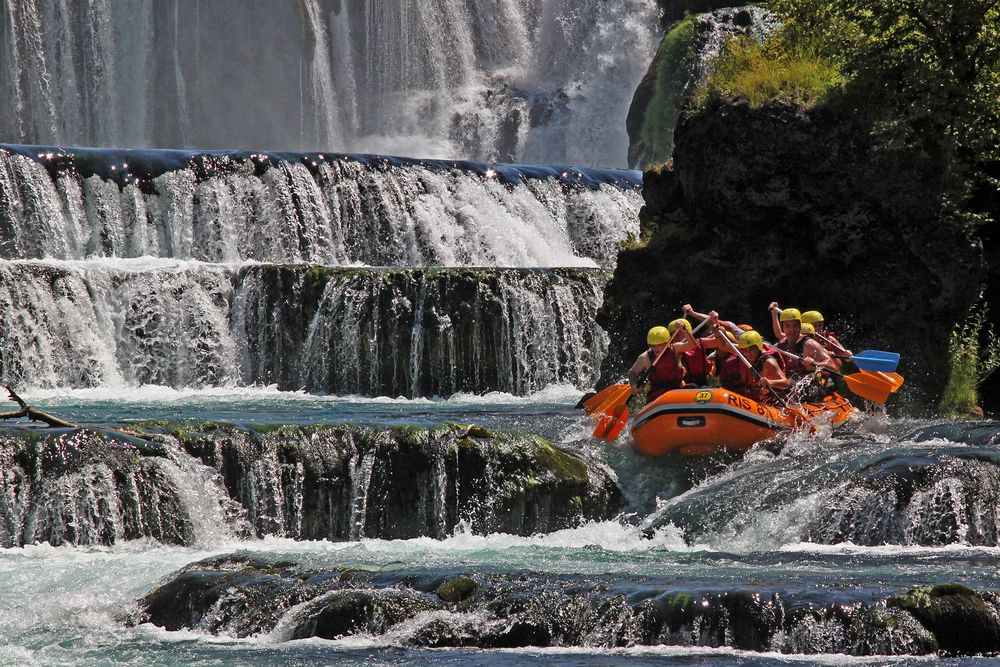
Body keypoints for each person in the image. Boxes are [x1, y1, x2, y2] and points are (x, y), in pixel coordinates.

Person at [768, 304, 833, 400]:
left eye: (794, 325)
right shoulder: (779, 345)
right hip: (789, 384)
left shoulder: (809, 344)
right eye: (787, 326)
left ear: (800, 326)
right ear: (783, 328)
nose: (791, 330)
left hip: (810, 386)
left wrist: (815, 363)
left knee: (792, 388)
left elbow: (832, 365)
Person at [717, 330, 789, 404]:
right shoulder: (742, 352)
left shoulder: (768, 361)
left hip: (772, 400)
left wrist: (771, 382)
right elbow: (723, 345)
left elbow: (786, 383)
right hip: (755, 397)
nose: (748, 353)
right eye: (745, 350)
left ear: (758, 347)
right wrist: (717, 333)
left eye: (752, 349)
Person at [628, 325, 696, 403]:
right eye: (653, 345)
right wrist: (633, 385)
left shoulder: (675, 349)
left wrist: (685, 331)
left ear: (668, 343)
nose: (656, 348)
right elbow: (632, 372)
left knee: (692, 386)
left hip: (677, 389)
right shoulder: (645, 358)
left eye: (660, 344)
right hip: (658, 395)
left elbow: (693, 345)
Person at [668, 317, 712, 387]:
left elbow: (719, 343)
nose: (676, 337)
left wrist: (717, 329)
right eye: (674, 335)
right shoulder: (671, 349)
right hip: (683, 386)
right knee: (692, 386)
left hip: (702, 383)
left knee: (698, 387)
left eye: (679, 334)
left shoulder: (700, 343)